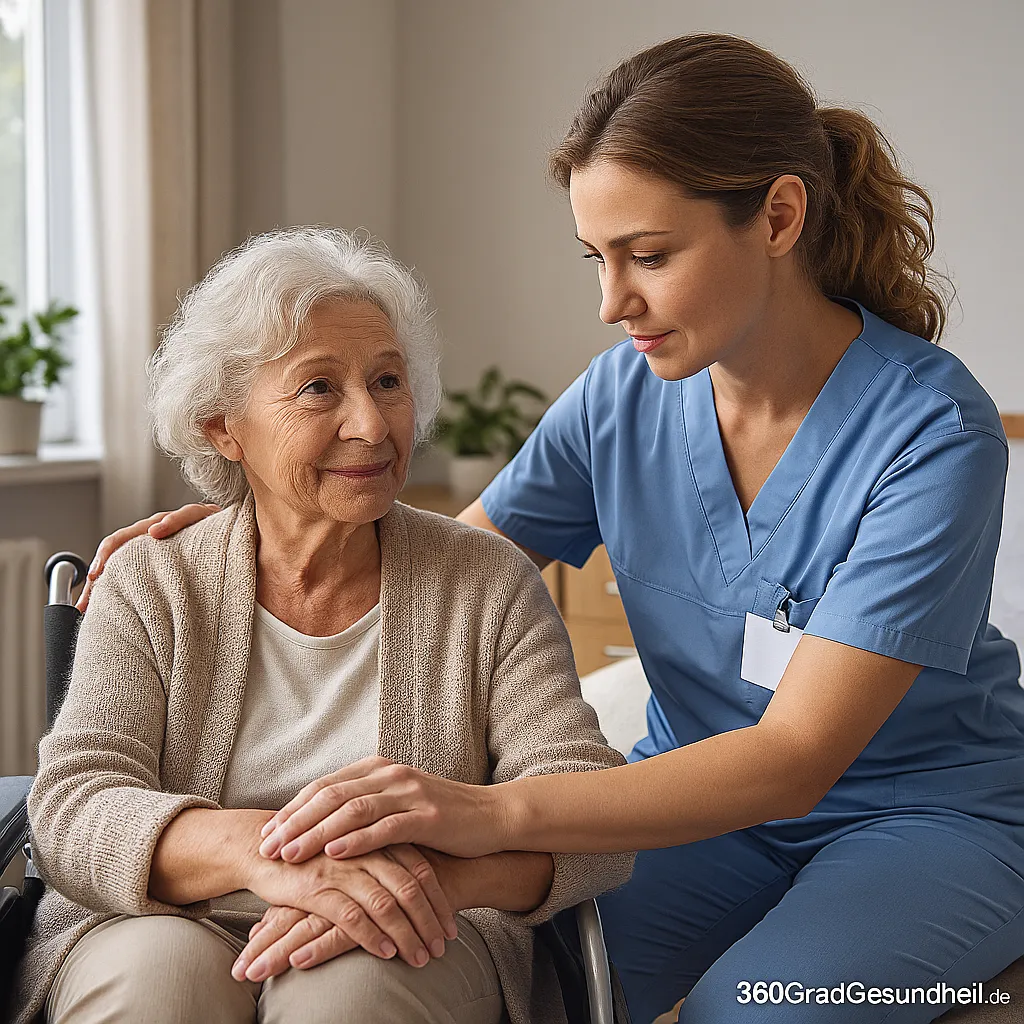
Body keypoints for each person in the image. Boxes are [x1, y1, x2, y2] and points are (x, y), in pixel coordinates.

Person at [81, 34, 1024, 1024]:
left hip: (926, 816)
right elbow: (437, 568)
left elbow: (796, 756)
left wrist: (487, 814)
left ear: (779, 216)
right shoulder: (622, 394)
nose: (613, 302)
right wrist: (269, 516)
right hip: (693, 809)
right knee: (495, 963)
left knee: (756, 1009)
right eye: (599, 258)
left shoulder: (932, 430)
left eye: (649, 256)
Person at [9, 227, 633, 1024]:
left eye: (388, 381)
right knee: (155, 985)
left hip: (418, 923)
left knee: (354, 987)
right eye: (318, 389)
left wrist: (419, 878)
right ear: (223, 428)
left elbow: (594, 818)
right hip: (167, 918)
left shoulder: (487, 582)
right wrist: (266, 856)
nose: (371, 425)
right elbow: (74, 805)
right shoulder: (153, 580)